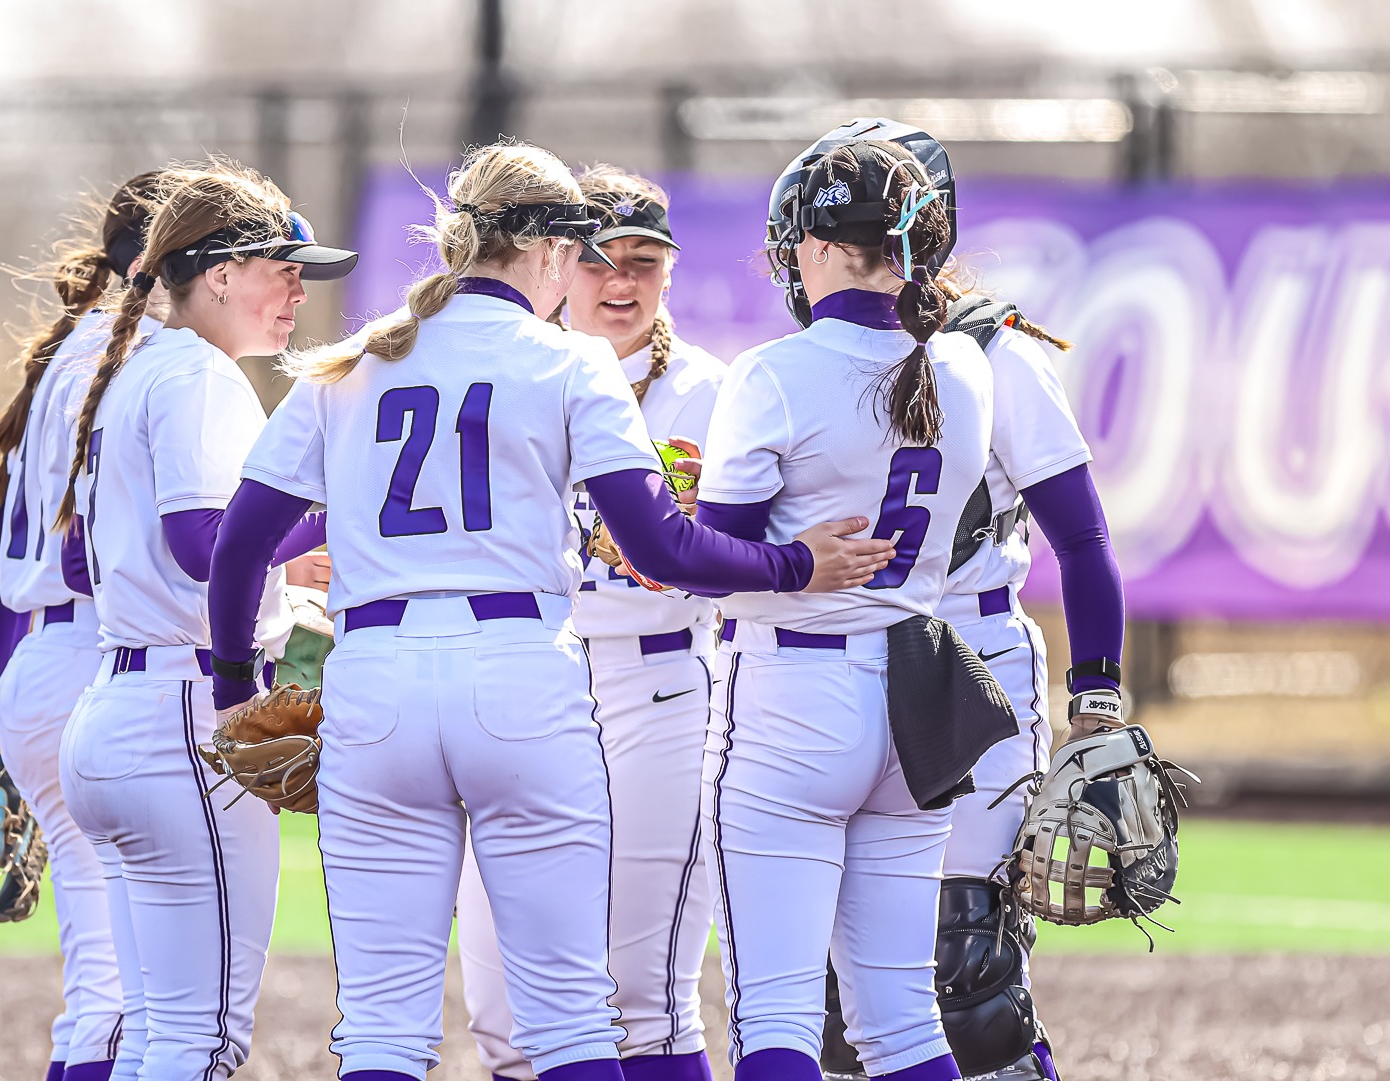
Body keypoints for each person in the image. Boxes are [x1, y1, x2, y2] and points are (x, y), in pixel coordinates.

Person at [204, 140, 894, 1081]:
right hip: (519, 675)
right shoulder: (568, 361)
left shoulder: (357, 360)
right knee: (572, 1019)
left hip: (376, 684)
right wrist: (794, 563)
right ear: (550, 249)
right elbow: (662, 548)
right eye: (581, 251)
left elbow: (239, 547)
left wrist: (236, 683)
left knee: (382, 1029)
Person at [782, 122, 1126, 1081]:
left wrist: (1098, 700)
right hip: (839, 661)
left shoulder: (998, 355)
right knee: (834, 994)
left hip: (968, 659)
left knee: (962, 969)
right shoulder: (812, 360)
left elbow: (1083, 538)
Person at [694, 137, 997, 1081]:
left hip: (793, 693)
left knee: (776, 1011)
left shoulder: (775, 372)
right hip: (912, 698)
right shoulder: (963, 367)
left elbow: (715, 559)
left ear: (817, 246)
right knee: (904, 1021)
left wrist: (669, 535)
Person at [52, 159, 358, 1081]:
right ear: (217, 273)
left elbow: (88, 560)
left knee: (150, 1035)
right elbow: (203, 545)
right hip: (180, 718)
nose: (299, 289)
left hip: (113, 710)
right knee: (200, 1042)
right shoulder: (199, 375)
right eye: (282, 266)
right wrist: (331, 513)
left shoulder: (136, 367)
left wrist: (279, 539)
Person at [452, 165, 726, 1081]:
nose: (621, 280)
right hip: (530, 684)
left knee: (642, 990)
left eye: (645, 260)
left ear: (671, 272)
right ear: (559, 260)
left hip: (660, 681)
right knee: (505, 1009)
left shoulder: (713, 392)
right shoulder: (515, 368)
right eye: (600, 258)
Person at [0, 171, 160, 1081]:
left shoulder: (68, 349)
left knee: (103, 982)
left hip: (39, 658)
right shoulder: (147, 357)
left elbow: (2, 538)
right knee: (139, 993)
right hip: (103, 654)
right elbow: (116, 546)